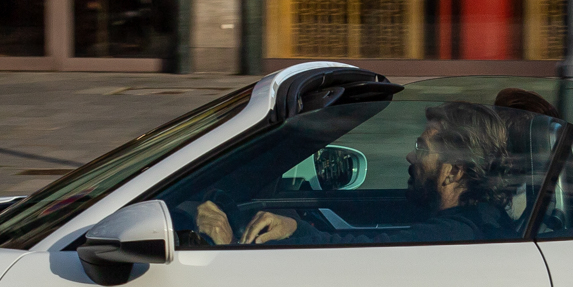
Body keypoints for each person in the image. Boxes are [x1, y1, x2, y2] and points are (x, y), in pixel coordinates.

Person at [195, 101, 521, 246]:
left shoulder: (454, 237)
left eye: (422, 149)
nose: (410, 156)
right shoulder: (472, 223)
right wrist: (294, 227)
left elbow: (365, 252)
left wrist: (228, 247)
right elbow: (367, 242)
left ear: (454, 171)